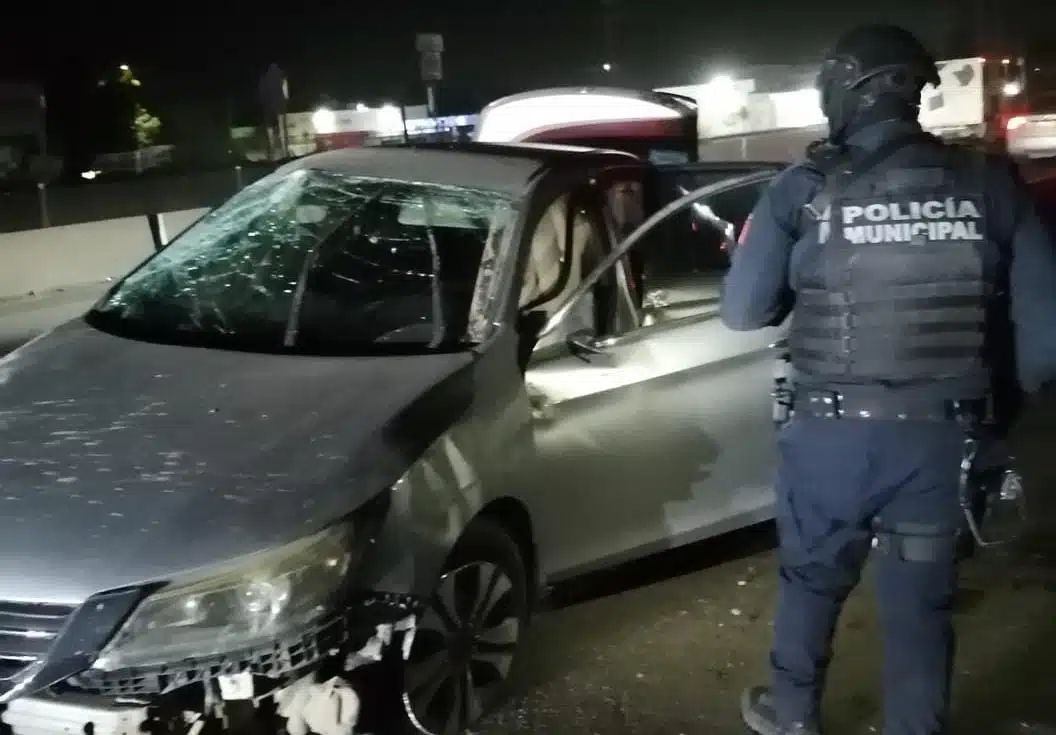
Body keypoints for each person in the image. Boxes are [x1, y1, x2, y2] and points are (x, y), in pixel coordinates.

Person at [720, 24, 1056, 735]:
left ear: (846, 88)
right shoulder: (991, 184)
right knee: (920, 606)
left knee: (811, 582)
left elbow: (743, 312)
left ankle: (792, 716)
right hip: (942, 441)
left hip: (829, 440)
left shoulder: (803, 186)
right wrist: (992, 428)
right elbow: (1044, 347)